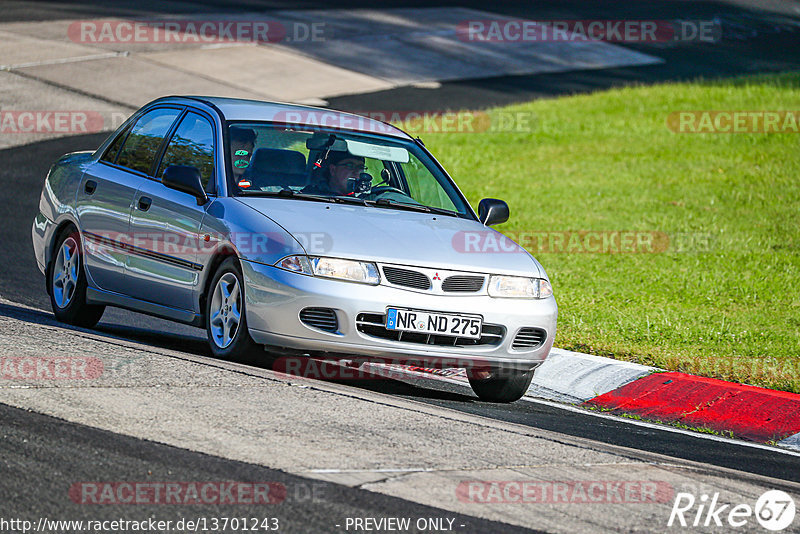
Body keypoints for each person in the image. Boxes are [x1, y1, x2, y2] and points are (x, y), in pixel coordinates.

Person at [303, 151, 368, 196]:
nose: (356, 172)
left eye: (360, 167)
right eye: (349, 166)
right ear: (333, 169)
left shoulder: (366, 201)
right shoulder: (309, 195)